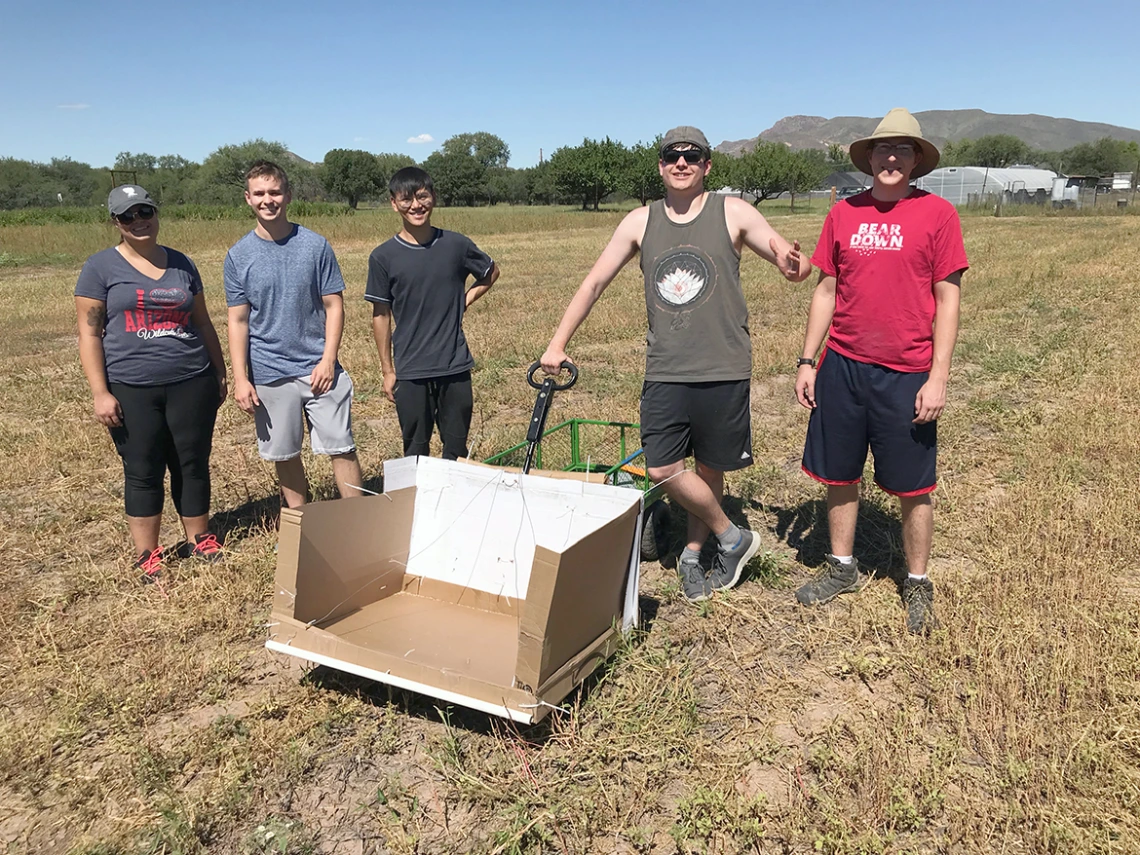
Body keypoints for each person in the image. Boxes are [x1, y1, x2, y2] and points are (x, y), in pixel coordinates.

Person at [541, 126, 812, 602]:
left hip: (724, 365)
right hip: (665, 367)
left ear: (707, 165)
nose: (681, 163)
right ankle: (733, 536)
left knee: (709, 468)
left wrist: (794, 264)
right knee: (664, 466)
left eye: (692, 156)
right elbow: (593, 284)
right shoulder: (638, 222)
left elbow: (788, 259)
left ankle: (693, 553)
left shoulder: (733, 211)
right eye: (672, 156)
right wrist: (557, 343)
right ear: (661, 165)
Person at [793, 108, 968, 634]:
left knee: (913, 486)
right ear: (869, 158)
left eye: (903, 150)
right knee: (839, 473)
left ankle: (917, 581)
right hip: (842, 367)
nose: (892, 158)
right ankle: (841, 568)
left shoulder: (938, 215)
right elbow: (826, 290)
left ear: (917, 161)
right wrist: (807, 360)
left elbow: (948, 298)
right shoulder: (844, 214)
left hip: (908, 371)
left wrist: (937, 377)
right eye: (883, 149)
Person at [75, 185, 228, 581]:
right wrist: (100, 392)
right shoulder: (99, 268)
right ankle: (148, 553)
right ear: (116, 223)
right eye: (128, 216)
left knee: (191, 462)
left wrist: (219, 370)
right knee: (143, 468)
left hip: (191, 380)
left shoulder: (181, 264)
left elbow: (202, 321)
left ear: (156, 214)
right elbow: (90, 334)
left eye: (145, 211)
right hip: (131, 385)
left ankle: (201, 538)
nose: (139, 221)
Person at [224, 161, 363, 508]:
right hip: (270, 371)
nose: (267, 200)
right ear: (247, 198)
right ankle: (302, 526)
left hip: (318, 367)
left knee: (341, 445)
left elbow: (334, 305)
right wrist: (241, 378)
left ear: (287, 196)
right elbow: (238, 321)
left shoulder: (315, 246)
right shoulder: (238, 256)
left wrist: (328, 360)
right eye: (259, 193)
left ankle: (359, 522)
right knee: (284, 454)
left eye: (274, 192)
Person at [366, 166, 499, 460]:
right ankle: (418, 504)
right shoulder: (383, 256)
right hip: (410, 370)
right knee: (415, 452)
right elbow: (381, 315)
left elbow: (491, 272)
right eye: (406, 199)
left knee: (456, 451)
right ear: (394, 203)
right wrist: (388, 371)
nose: (416, 206)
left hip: (454, 366)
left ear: (433, 198)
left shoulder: (456, 245)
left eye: (422, 196)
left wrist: (464, 300)